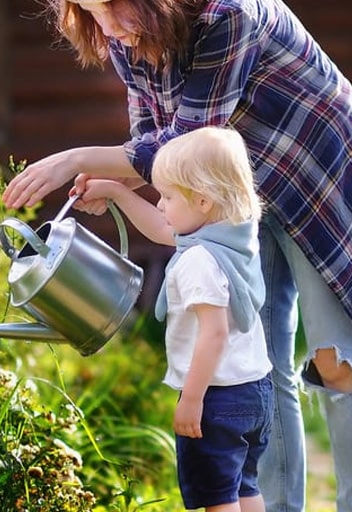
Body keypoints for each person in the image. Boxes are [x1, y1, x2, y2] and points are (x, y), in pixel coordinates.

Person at [0, 0, 352, 510]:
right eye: (89, 12)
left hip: (314, 171)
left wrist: (75, 159)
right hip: (234, 195)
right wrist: (116, 187)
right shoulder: (129, 36)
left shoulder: (227, 14)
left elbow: (190, 136)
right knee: (256, 361)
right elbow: (160, 151)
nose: (105, 29)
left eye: (108, 6)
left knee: (338, 362)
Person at [73, 126, 274, 512]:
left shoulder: (199, 260)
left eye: (166, 196)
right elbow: (167, 228)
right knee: (244, 487)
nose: (161, 205)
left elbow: (213, 334)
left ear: (201, 201)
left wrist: (192, 399)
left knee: (218, 498)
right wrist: (117, 191)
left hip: (215, 394)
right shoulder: (234, 234)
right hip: (253, 388)